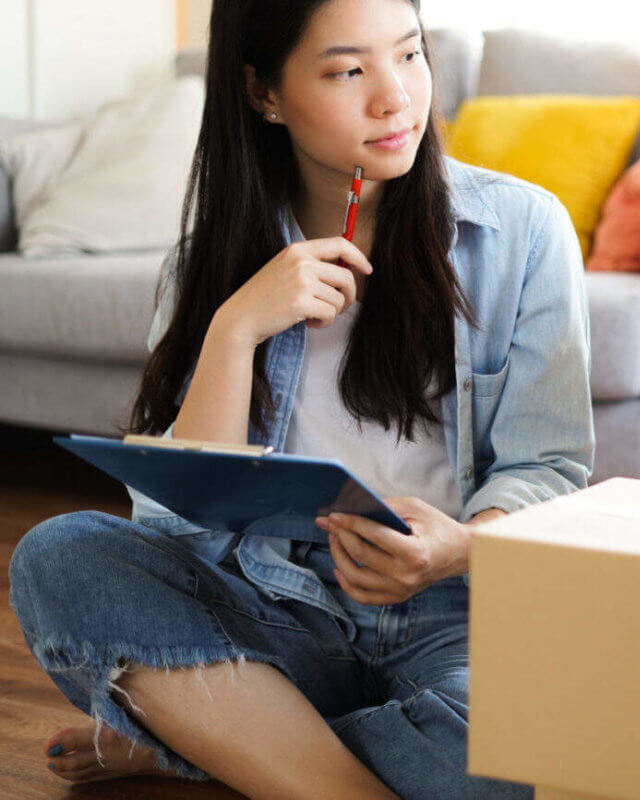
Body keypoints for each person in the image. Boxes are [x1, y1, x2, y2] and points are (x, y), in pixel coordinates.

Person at [7, 0, 594, 796]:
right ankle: (282, 756)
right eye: (349, 70)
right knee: (59, 555)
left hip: (454, 616)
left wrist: (454, 549)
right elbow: (178, 526)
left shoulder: (522, 231)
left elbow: (548, 466)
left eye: (410, 55)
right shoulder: (205, 267)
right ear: (264, 94)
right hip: (276, 607)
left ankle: (219, 741)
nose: (395, 97)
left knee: (510, 756)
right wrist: (234, 329)